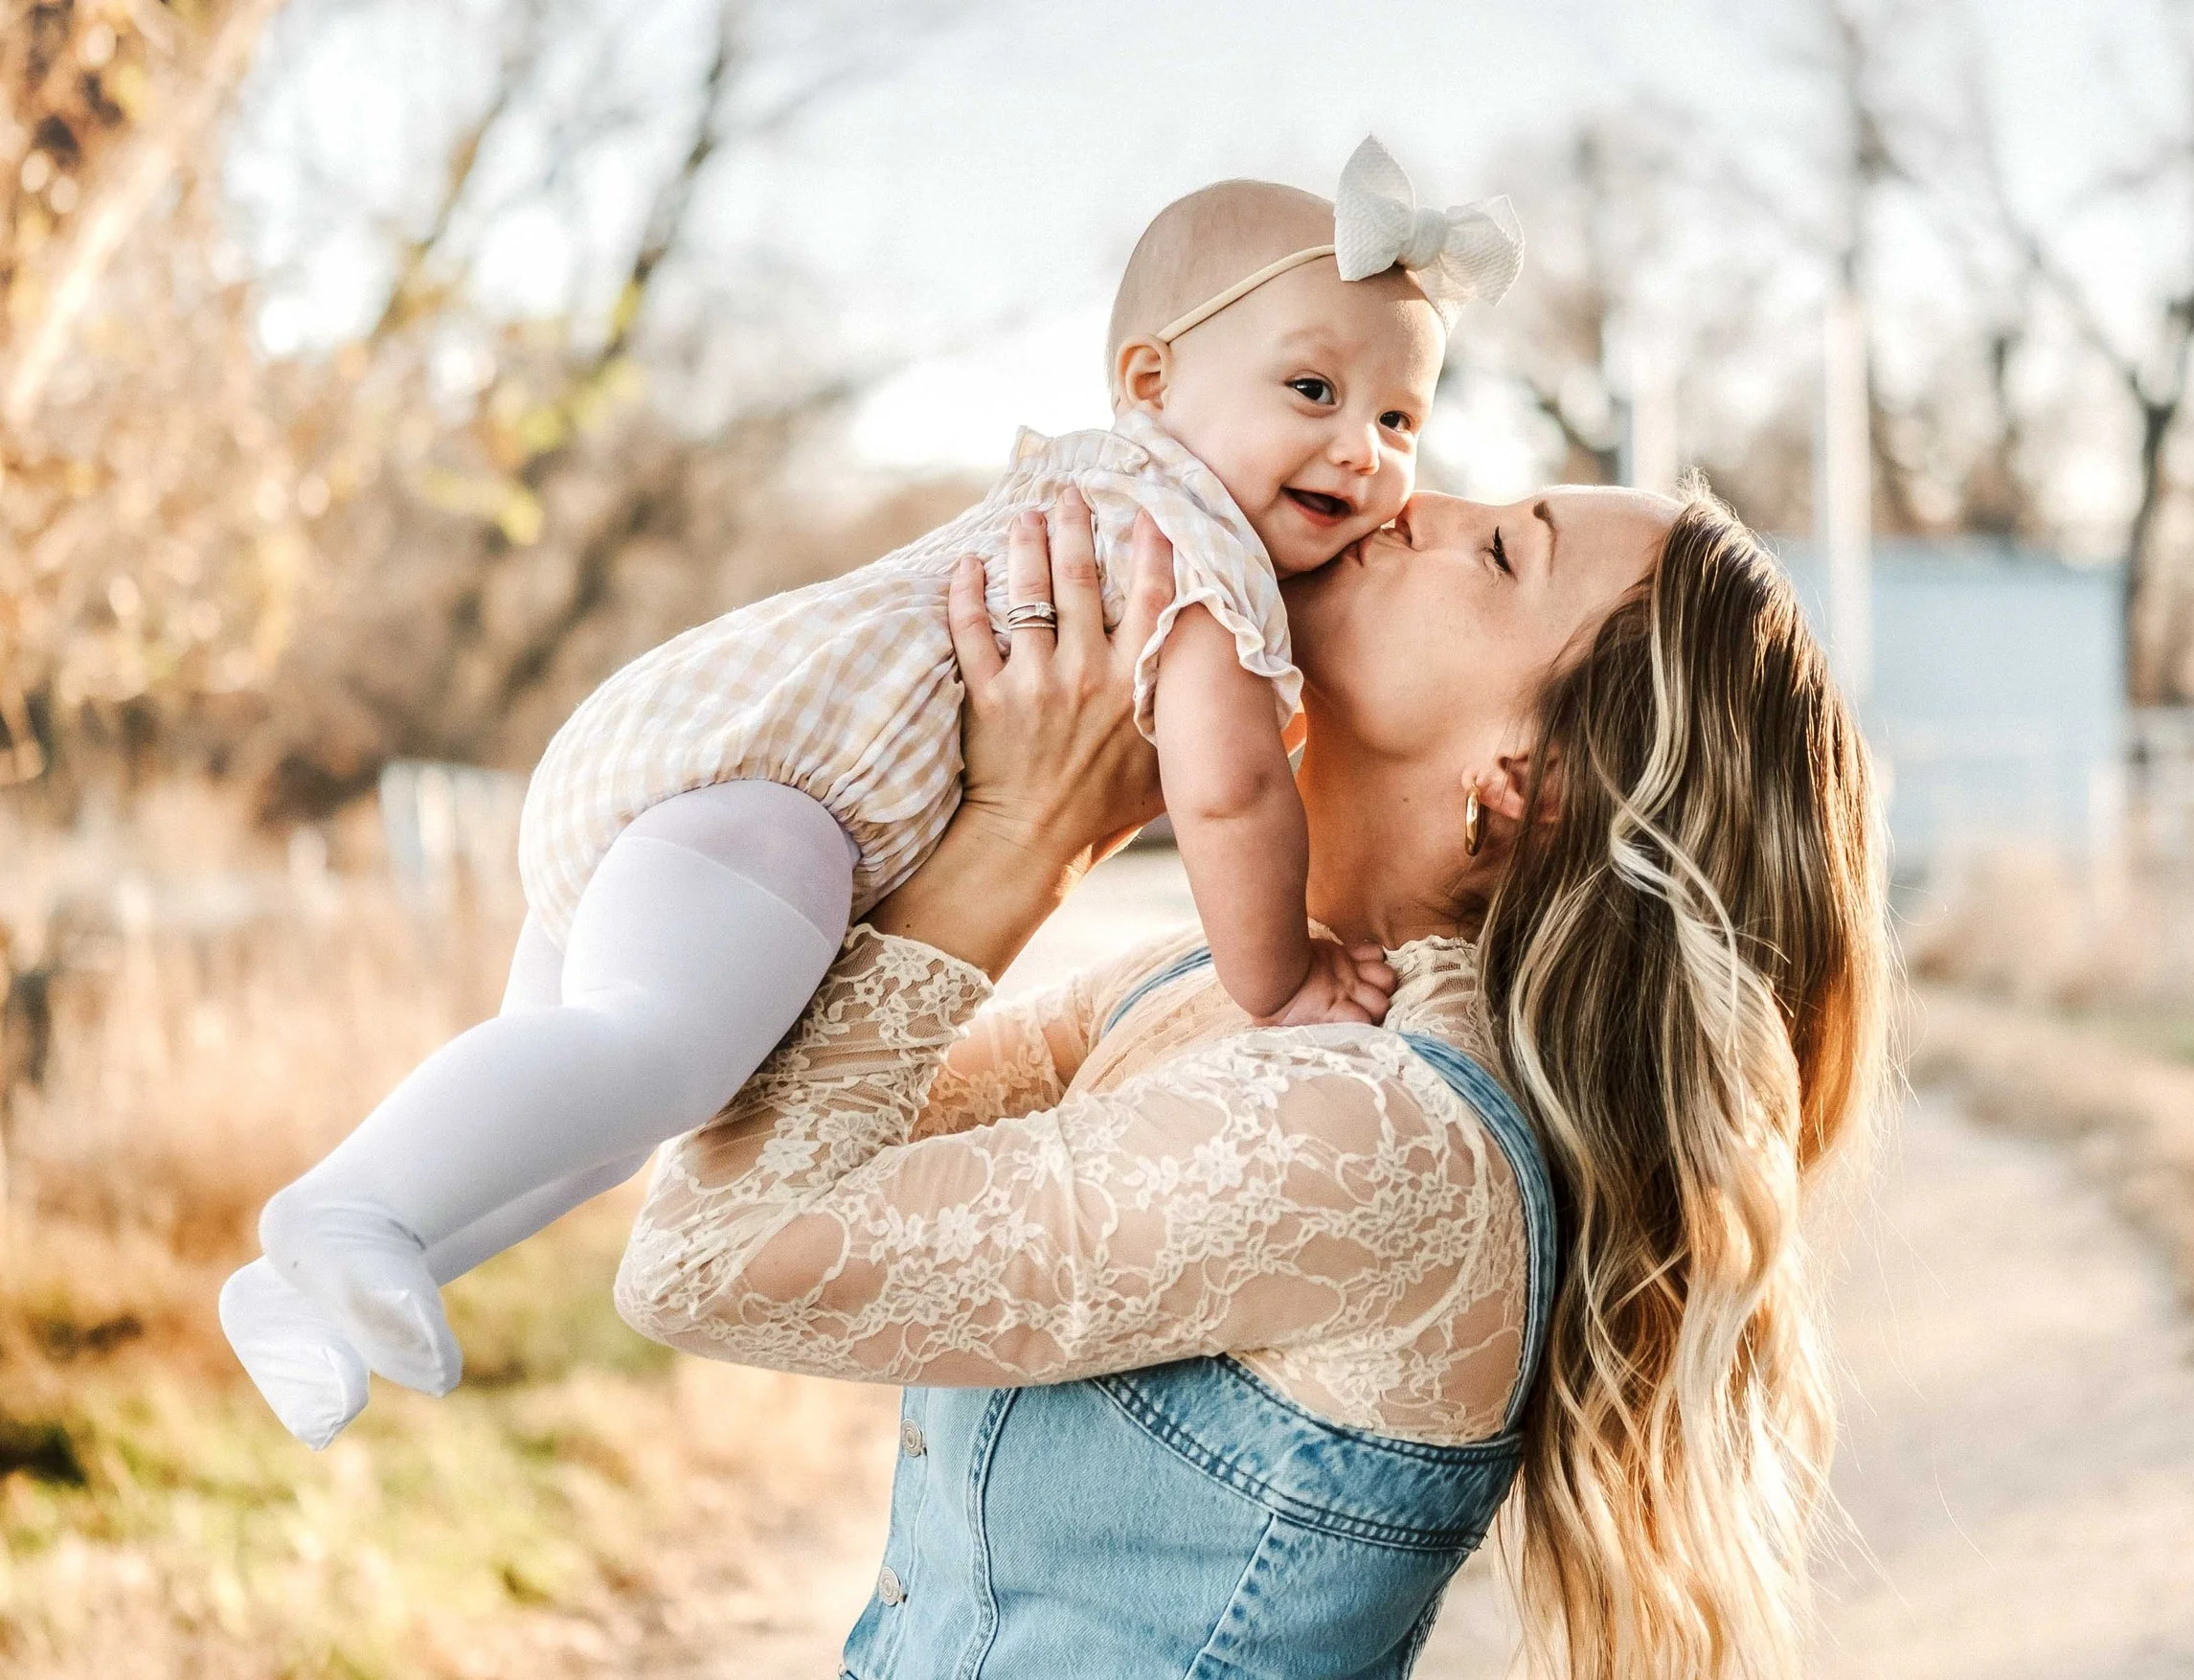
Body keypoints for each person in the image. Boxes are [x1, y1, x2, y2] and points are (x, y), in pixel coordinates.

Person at [218, 138, 1526, 1448]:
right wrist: (1284, 976)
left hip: (674, 753)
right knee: (655, 1058)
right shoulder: (1200, 555)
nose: (1364, 454)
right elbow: (1233, 793)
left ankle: (310, 1279)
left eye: (1401, 420)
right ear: (1152, 378)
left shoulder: (1108, 486)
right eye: (1313, 389)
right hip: (766, 812)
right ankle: (352, 1213)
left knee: (599, 1115)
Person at [615, 482, 1891, 1678]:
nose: (1416, 502)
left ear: (1526, 784)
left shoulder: (1384, 1132)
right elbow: (749, 1135)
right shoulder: (1226, 976)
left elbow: (705, 1256)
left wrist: (1028, 828)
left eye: (1502, 550)